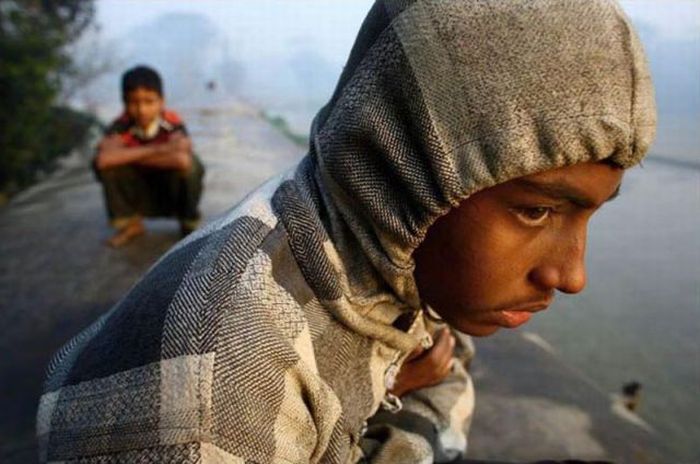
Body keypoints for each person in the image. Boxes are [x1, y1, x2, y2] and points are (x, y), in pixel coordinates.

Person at [37, 0, 655, 463]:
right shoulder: (218, 393)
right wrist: (395, 399)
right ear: (401, 166)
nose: (571, 274)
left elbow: (445, 366)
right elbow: (442, 385)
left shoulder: (392, 251)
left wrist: (383, 390)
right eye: (535, 211)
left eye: (589, 214)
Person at [94, 65, 205, 247]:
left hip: (166, 183)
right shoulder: (121, 125)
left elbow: (181, 159)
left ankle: (187, 222)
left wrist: (125, 155)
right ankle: (130, 223)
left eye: (149, 101)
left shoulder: (171, 122)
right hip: (139, 182)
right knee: (106, 168)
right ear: (125, 102)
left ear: (161, 101)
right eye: (134, 102)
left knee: (192, 167)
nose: (142, 109)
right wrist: (160, 150)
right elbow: (104, 160)